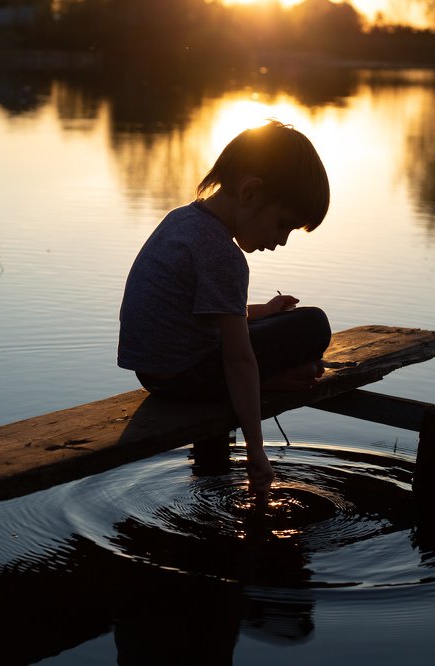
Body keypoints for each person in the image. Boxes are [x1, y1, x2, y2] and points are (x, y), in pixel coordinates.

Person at [117, 121, 332, 487]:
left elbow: (196, 312)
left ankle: (274, 374)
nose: (281, 241)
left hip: (157, 374)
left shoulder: (182, 220)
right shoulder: (223, 254)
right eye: (283, 225)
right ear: (250, 192)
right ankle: (274, 381)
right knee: (313, 325)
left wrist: (261, 313)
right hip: (189, 379)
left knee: (279, 329)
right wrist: (257, 451)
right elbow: (238, 358)